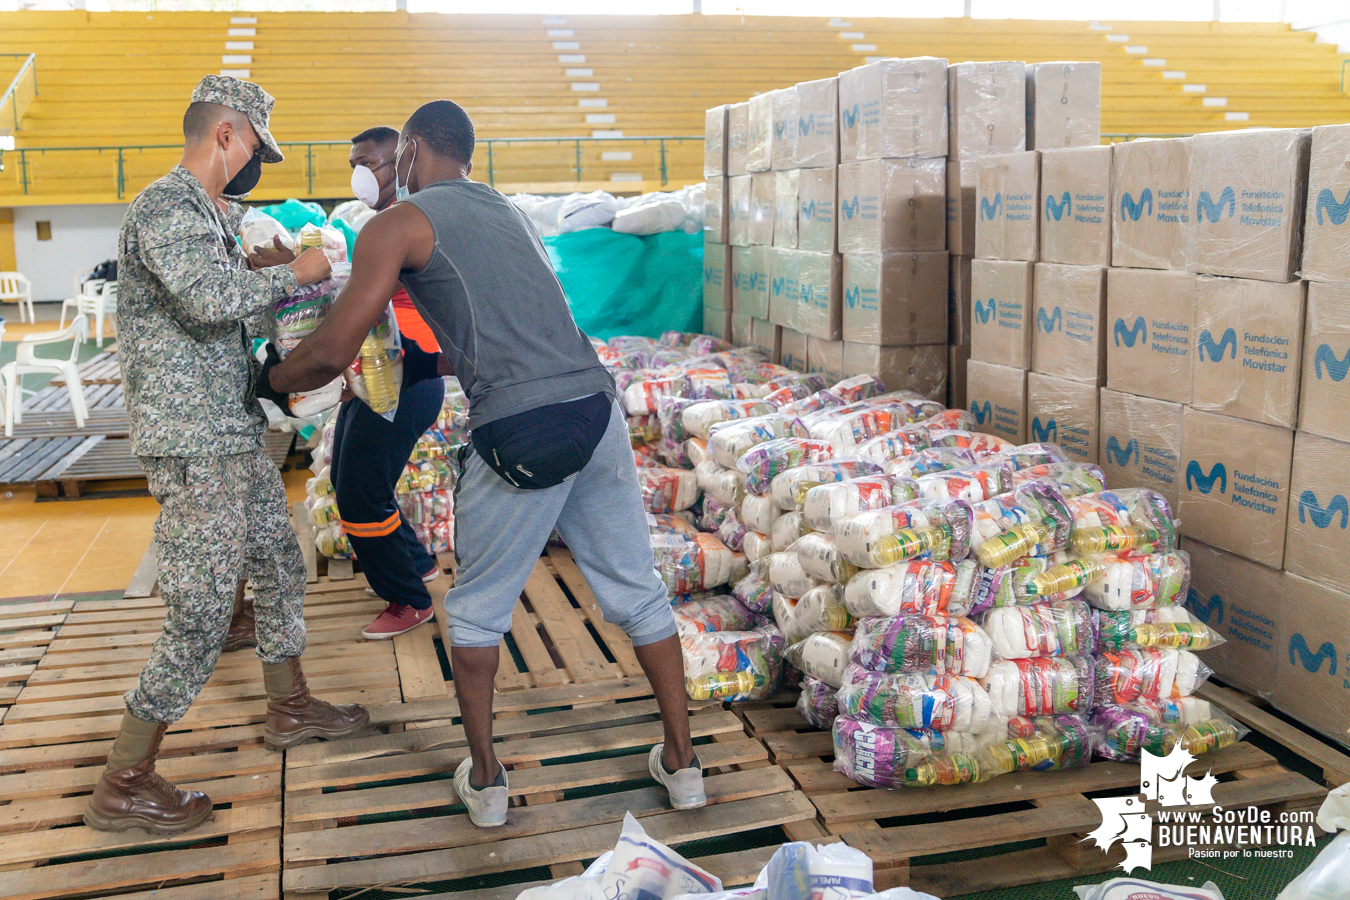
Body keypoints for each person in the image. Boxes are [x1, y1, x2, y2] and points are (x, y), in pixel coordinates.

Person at [266, 99, 703, 828]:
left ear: (410, 151)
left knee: (476, 611)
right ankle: (684, 767)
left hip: (518, 427)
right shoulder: (505, 210)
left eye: (386, 157)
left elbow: (334, 348)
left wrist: (271, 383)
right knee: (638, 593)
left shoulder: (397, 223)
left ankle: (490, 782)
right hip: (596, 408)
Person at [85, 75, 369, 836]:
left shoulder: (212, 214)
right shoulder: (165, 205)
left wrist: (263, 263)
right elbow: (206, 300)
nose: (257, 165)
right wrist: (293, 273)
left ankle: (290, 706)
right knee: (204, 610)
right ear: (225, 134)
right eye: (255, 147)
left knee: (279, 564)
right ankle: (125, 776)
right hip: (191, 438)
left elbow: (224, 286)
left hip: (231, 427)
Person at [335, 125, 447, 640]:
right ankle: (417, 564)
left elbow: (362, 292)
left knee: (360, 494)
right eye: (353, 163)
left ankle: (408, 598)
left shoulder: (408, 224)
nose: (359, 173)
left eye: (368, 162)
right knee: (353, 478)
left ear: (400, 163)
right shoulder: (384, 224)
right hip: (381, 371)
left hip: (409, 376)